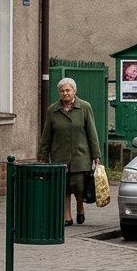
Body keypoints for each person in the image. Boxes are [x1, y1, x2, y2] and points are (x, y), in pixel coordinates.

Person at [38, 77, 100, 225]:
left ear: (74, 91)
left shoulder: (85, 107)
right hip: (60, 155)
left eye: (68, 90)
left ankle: (80, 207)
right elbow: (46, 135)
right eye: (62, 91)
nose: (65, 93)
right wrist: (43, 155)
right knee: (63, 187)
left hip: (80, 155)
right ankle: (67, 216)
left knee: (79, 186)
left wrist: (96, 154)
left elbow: (92, 132)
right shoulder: (53, 110)